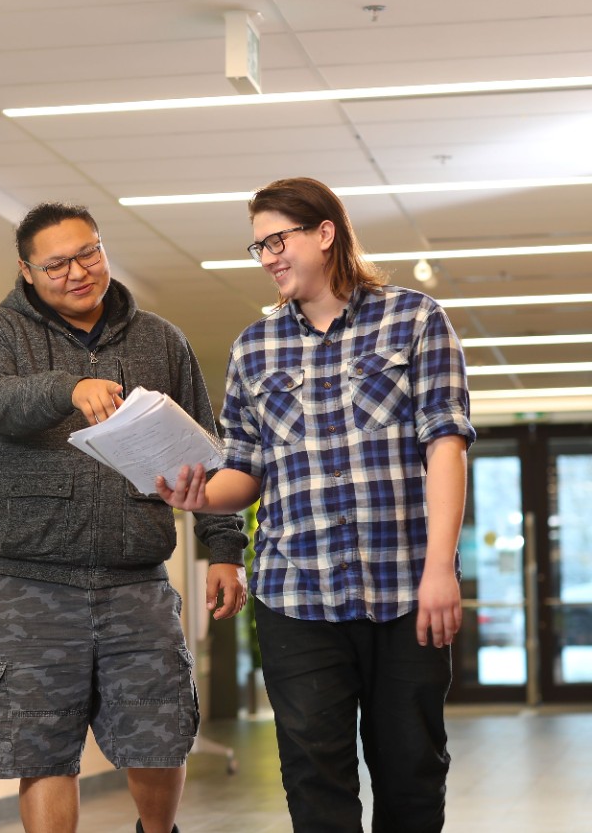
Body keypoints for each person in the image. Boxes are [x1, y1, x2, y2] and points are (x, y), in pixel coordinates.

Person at [157, 177, 475, 833]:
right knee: (312, 777)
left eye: (278, 239)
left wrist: (440, 566)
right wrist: (193, 492)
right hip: (296, 595)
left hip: (405, 590)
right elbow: (243, 469)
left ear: (325, 232)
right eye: (258, 246)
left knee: (412, 771)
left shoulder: (415, 319)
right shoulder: (255, 347)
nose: (268, 255)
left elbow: (445, 444)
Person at [0, 201, 250, 833]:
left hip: (136, 579)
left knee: (159, 730)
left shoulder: (159, 340)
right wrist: (66, 387)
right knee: (41, 746)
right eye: (57, 263)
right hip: (32, 583)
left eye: (88, 253)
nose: (78, 272)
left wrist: (225, 548)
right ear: (26, 270)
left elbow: (209, 449)